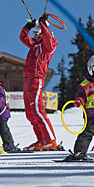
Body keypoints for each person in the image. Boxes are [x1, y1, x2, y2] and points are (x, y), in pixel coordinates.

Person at [19, 14, 60, 150]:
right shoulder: (34, 46)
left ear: (43, 34)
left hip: (37, 79)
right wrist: (27, 27)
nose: (34, 37)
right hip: (28, 79)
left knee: (38, 110)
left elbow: (48, 39)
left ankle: (51, 140)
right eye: (34, 34)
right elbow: (23, 38)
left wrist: (42, 23)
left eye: (37, 34)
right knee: (30, 113)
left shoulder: (48, 46)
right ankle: (42, 140)